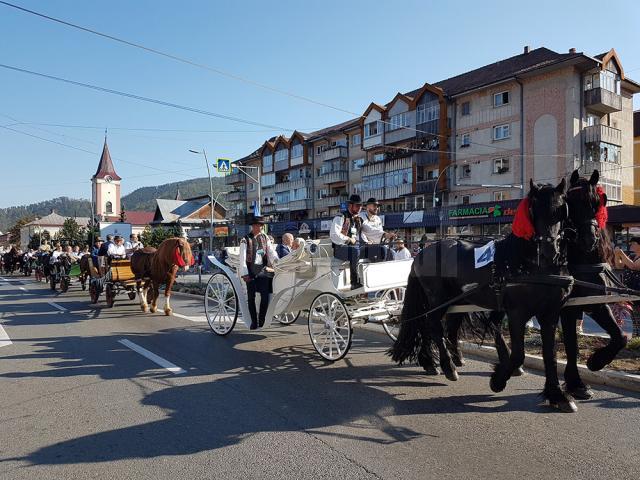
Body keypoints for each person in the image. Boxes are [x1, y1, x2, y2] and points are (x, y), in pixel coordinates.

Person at [331, 194, 385, 290]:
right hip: (340, 249)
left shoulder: (358, 219)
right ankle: (354, 282)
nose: (359, 208)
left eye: (360, 206)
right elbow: (334, 235)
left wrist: (385, 235)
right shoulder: (341, 217)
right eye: (357, 205)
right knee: (355, 251)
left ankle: (379, 278)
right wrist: (348, 239)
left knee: (381, 249)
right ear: (350, 206)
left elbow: (370, 231)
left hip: (356, 249)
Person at [239, 215, 278, 329]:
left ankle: (262, 319)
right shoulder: (245, 239)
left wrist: (277, 262)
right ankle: (253, 321)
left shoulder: (265, 238)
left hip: (262, 270)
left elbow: (271, 252)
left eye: (261, 225)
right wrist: (245, 272)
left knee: (265, 296)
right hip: (250, 271)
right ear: (253, 226)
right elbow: (242, 258)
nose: (259, 227)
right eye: (257, 225)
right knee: (251, 297)